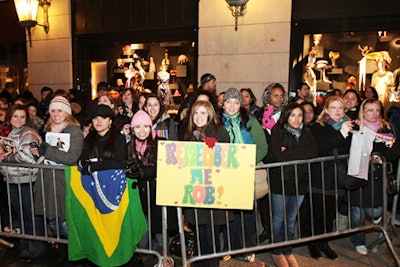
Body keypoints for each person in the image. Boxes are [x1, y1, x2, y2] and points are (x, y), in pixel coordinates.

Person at [306, 95, 357, 260]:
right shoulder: (318, 127)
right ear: (326, 110)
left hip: (337, 178)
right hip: (320, 177)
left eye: (340, 108)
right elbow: (322, 148)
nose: (338, 111)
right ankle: (313, 243)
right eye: (334, 107)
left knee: (330, 214)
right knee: (317, 213)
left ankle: (324, 242)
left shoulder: (348, 127)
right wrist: (341, 134)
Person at [220, 88, 267, 260]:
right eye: (228, 102)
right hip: (225, 175)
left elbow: (262, 146)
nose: (232, 106)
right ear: (223, 104)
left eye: (236, 102)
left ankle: (249, 247)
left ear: (241, 105)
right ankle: (229, 247)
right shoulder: (217, 123)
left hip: (245, 173)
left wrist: (246, 162)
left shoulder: (250, 121)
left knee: (247, 213)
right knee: (228, 214)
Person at [182, 100, 230, 267]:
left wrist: (215, 149)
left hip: (213, 194)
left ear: (209, 114)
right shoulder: (190, 134)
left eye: (203, 113)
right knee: (200, 232)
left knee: (212, 234)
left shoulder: (219, 131)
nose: (199, 116)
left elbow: (228, 159)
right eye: (196, 113)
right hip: (196, 191)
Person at [269, 102, 318, 267]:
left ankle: (287, 249)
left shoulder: (307, 132)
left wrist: (289, 152)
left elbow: (313, 152)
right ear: (286, 116)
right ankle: (276, 251)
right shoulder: (277, 132)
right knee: (278, 219)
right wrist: (300, 153)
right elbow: (278, 156)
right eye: (293, 115)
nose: (297, 119)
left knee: (291, 219)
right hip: (280, 182)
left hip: (300, 182)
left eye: (300, 115)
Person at [349, 98, 400, 256]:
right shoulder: (357, 126)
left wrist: (380, 155)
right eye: (370, 110)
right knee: (357, 211)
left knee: (375, 210)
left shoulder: (387, 127)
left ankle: (377, 218)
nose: (374, 114)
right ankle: (359, 240)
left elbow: (395, 150)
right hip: (359, 173)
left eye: (377, 110)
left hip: (378, 175)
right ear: (363, 112)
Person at [126, 110, 177, 263]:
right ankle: (145, 257)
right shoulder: (128, 146)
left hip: (157, 194)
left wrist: (142, 172)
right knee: (143, 229)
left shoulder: (160, 143)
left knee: (161, 230)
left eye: (146, 126)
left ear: (151, 128)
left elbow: (164, 167)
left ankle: (166, 259)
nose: (142, 131)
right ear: (133, 129)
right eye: (138, 127)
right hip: (139, 196)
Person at [31, 96, 84, 238]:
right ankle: (63, 250)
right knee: (53, 221)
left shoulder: (74, 132)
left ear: (67, 112)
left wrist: (46, 150)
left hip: (64, 182)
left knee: (64, 221)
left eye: (60, 110)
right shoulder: (49, 130)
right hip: (48, 181)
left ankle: (72, 249)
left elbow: (71, 158)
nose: (56, 114)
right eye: (53, 110)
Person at [0, 105, 44, 260]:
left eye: (22, 116)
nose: (18, 119)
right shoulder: (12, 133)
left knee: (30, 216)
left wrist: (6, 158)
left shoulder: (28, 133)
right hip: (13, 180)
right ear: (9, 117)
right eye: (15, 116)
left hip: (26, 181)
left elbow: (26, 157)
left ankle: (36, 250)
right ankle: (25, 249)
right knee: (22, 216)